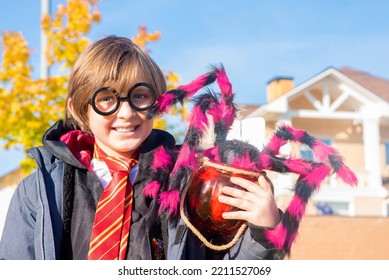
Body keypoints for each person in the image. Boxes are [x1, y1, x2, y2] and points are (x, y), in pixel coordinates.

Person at [0, 35, 283, 260]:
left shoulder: (190, 183)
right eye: (107, 99)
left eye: (139, 96)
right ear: (79, 110)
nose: (126, 113)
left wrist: (264, 230)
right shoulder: (39, 191)